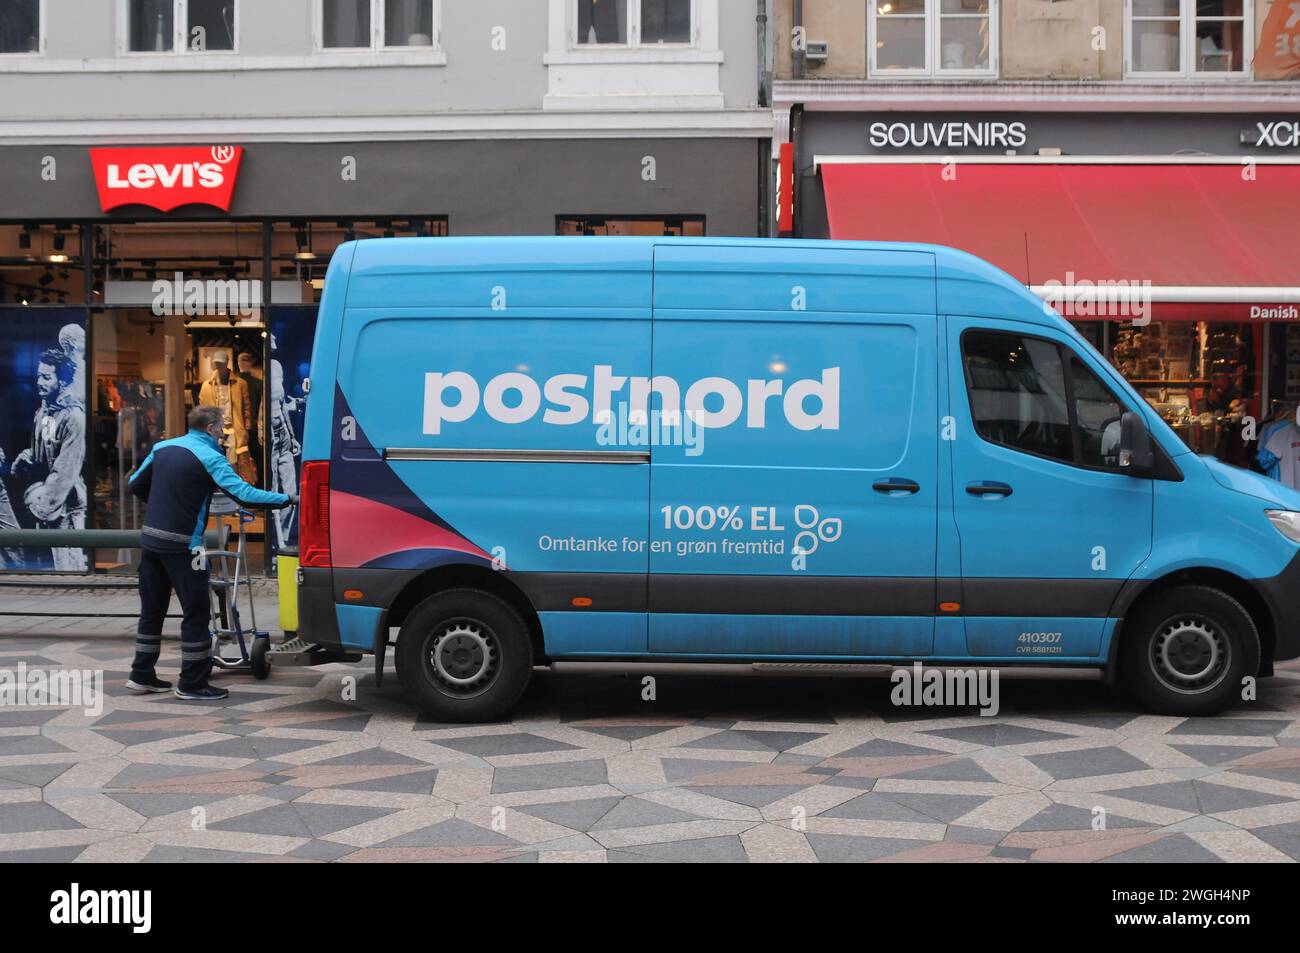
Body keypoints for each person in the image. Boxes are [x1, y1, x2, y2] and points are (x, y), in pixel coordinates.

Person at [125, 405, 294, 701]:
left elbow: (134, 483)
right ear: (212, 428)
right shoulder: (210, 457)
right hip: (185, 547)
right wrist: (287, 499)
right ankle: (192, 683)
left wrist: (163, 506)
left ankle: (141, 675)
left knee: (151, 612)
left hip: (150, 542)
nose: (224, 434)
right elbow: (243, 494)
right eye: (222, 429)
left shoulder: (162, 447)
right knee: (197, 611)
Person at [11, 348, 87, 571]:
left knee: (68, 569)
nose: (39, 382)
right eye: (38, 376)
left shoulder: (73, 418)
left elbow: (66, 470)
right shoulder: (42, 412)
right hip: (44, 504)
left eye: (46, 377)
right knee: (51, 567)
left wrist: (43, 504)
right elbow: (40, 452)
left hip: (67, 507)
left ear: (61, 380)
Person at [198, 352, 254, 480]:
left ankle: (233, 487)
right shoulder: (206, 386)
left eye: (222, 363)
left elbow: (246, 408)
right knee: (214, 459)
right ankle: (216, 487)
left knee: (233, 461)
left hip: (234, 427)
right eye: (217, 363)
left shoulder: (240, 384)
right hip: (215, 429)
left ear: (227, 363)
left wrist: (247, 428)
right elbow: (202, 409)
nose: (219, 366)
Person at [236, 351, 264, 484]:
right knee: (255, 459)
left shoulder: (234, 383)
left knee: (241, 460)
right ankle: (257, 486)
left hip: (240, 427)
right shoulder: (258, 383)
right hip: (253, 427)